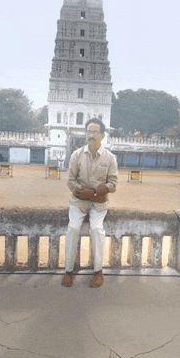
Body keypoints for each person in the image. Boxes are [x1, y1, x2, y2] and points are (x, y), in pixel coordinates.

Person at [62, 118, 118, 288]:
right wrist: (92, 195)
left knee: (97, 230)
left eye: (95, 132)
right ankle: (68, 271)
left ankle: (98, 272)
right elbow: (71, 182)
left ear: (102, 135)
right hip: (79, 202)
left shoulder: (109, 158)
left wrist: (92, 194)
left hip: (99, 204)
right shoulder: (76, 155)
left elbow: (113, 184)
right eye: (88, 131)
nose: (91, 135)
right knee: (72, 229)